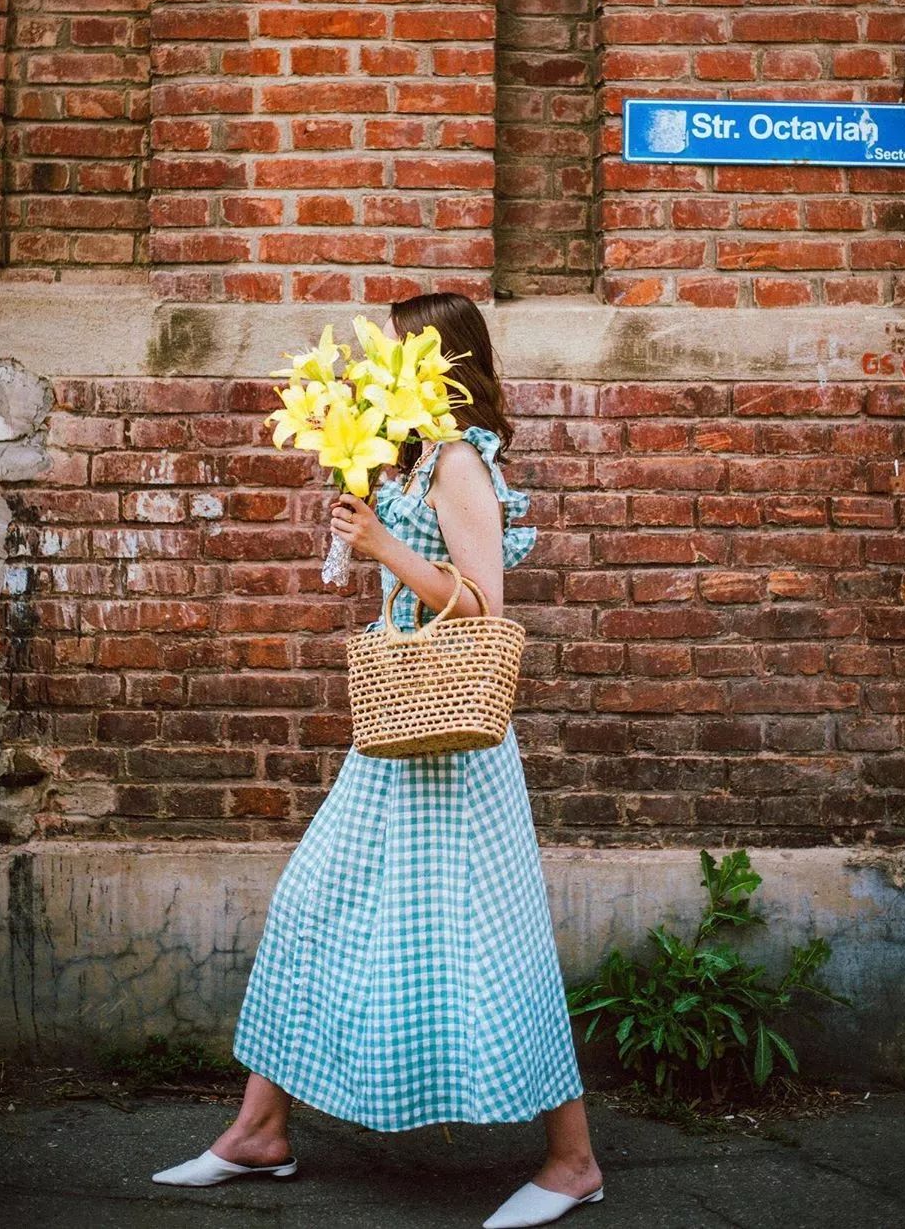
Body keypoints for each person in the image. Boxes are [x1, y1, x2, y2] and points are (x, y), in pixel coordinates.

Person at [151, 293, 605, 1227]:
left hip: (459, 746)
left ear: (444, 368)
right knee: (314, 904)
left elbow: (483, 602)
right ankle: (258, 1131)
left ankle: (572, 1160)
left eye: (399, 356)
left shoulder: (461, 460)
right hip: (398, 740)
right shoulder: (412, 459)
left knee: (494, 940)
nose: (378, 371)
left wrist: (382, 542)